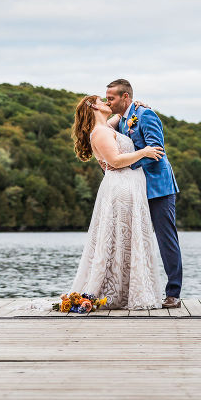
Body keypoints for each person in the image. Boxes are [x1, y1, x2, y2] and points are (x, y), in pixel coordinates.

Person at [69, 95, 166, 310]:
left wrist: (137, 107)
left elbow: (125, 116)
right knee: (120, 238)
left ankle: (123, 290)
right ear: (93, 106)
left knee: (125, 240)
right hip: (121, 187)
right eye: (102, 100)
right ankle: (114, 291)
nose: (107, 103)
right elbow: (114, 161)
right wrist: (144, 152)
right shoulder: (101, 132)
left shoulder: (106, 126)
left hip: (128, 186)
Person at [105, 79, 182, 308]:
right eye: (107, 98)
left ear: (125, 97)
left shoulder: (146, 115)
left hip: (158, 188)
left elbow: (156, 150)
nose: (108, 101)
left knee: (165, 239)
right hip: (133, 189)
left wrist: (125, 166)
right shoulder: (123, 119)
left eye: (112, 98)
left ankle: (173, 293)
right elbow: (106, 132)